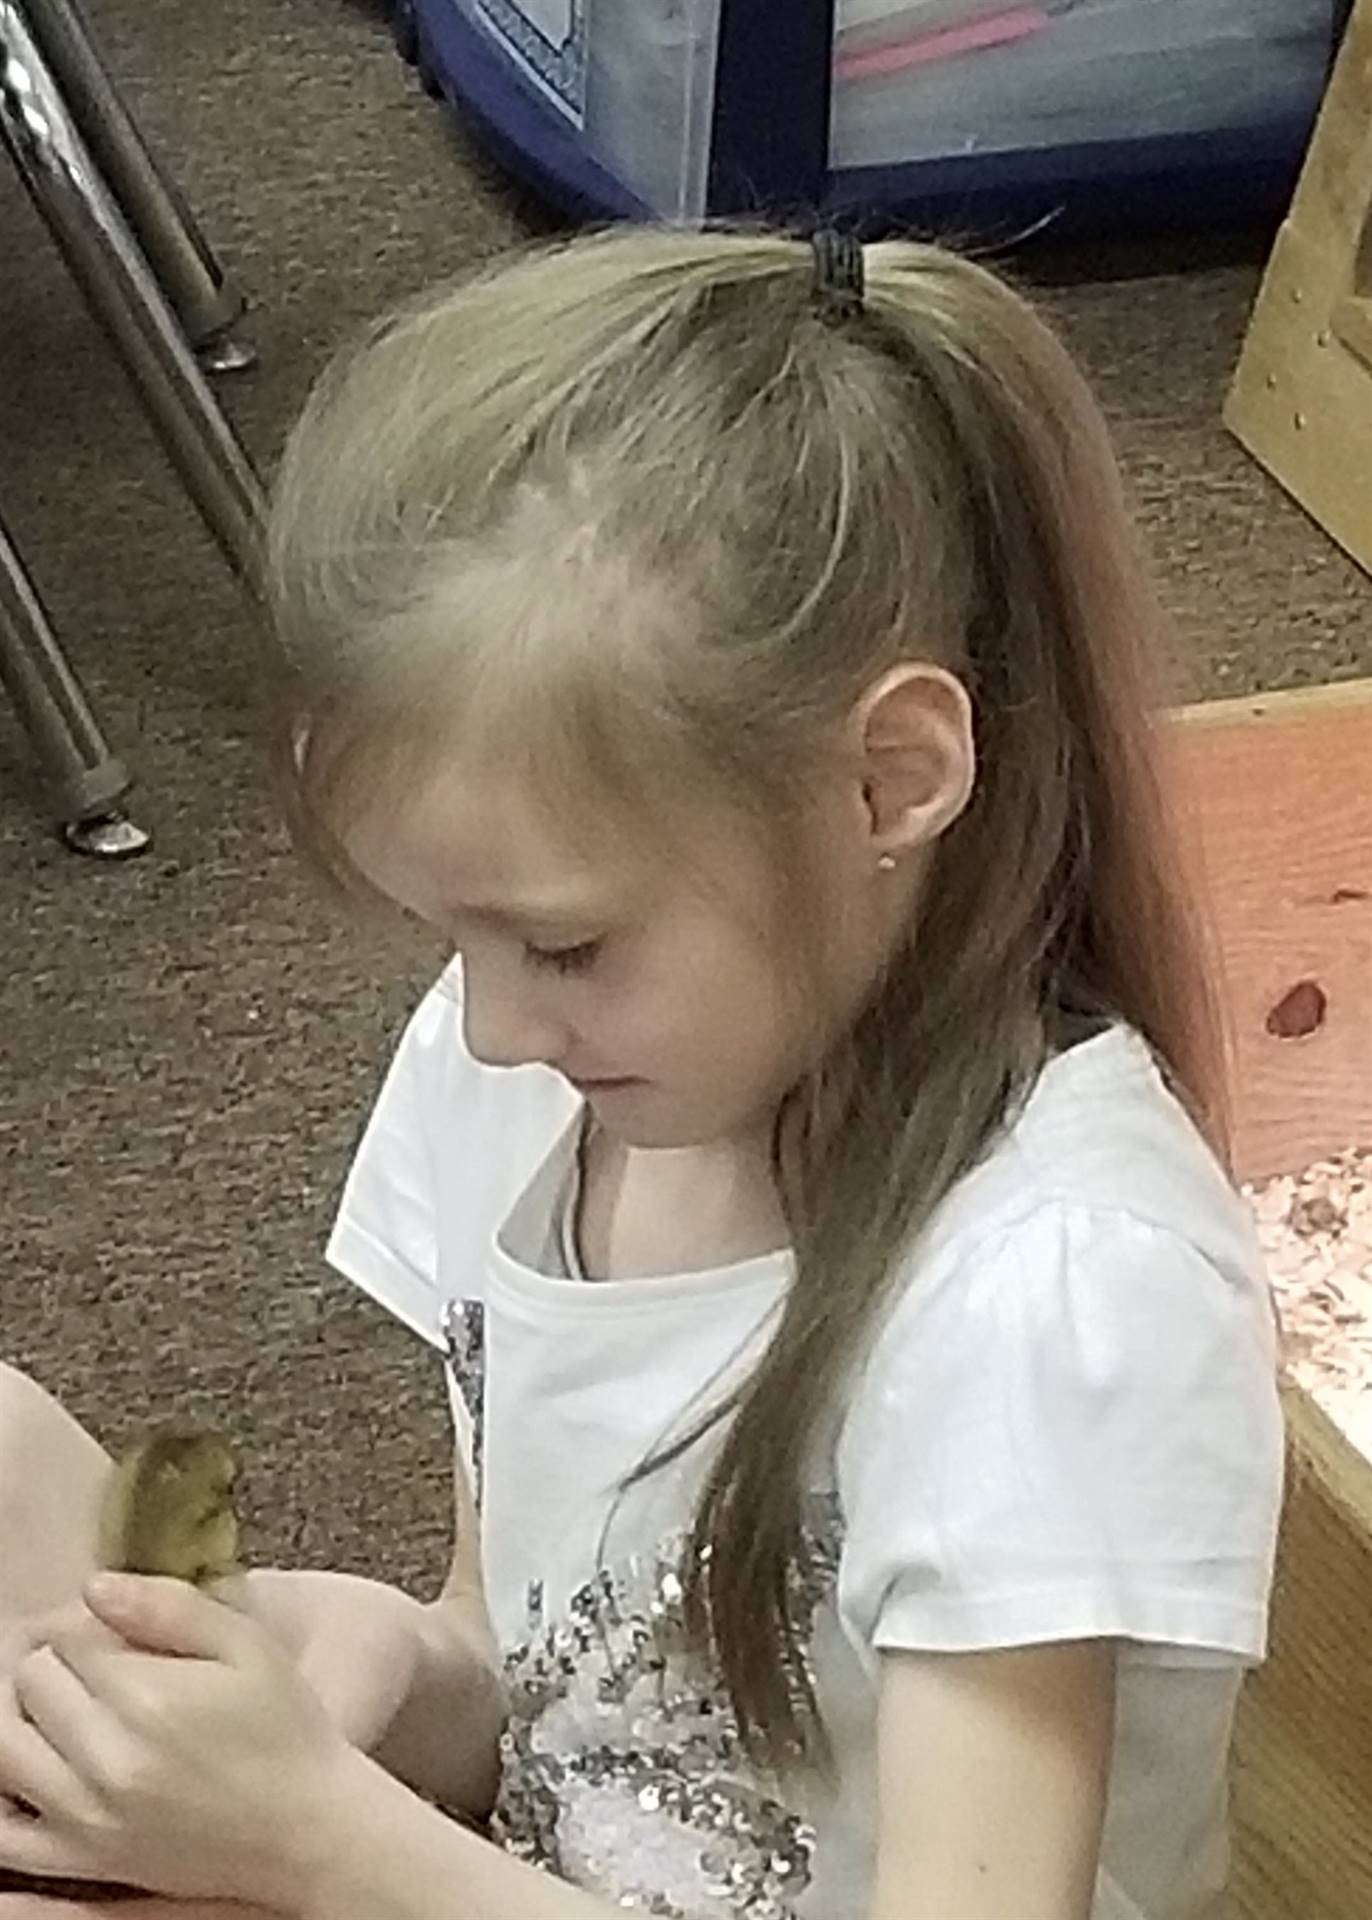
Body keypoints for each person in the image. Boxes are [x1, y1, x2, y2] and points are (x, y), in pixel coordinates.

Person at [0, 224, 1284, 1920]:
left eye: (564, 944)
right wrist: (391, 1660)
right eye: (446, 936)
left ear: (892, 779)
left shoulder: (1051, 1296)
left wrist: (324, 1845)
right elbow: (548, 1694)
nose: (484, 1027)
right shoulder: (553, 1077)